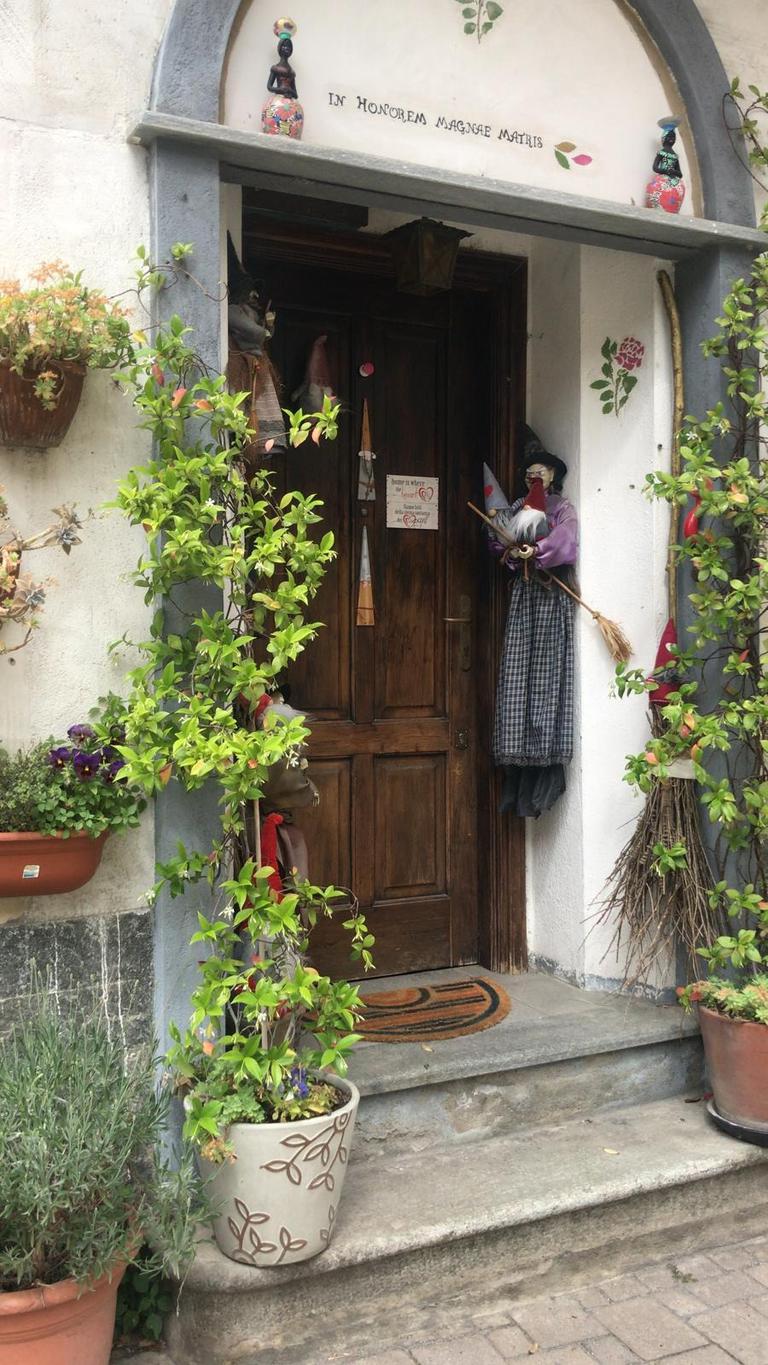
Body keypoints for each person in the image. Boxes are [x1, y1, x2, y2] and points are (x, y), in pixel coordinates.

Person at [484, 425, 578, 818]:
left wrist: (536, 550)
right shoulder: (518, 507)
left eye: (541, 472)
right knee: (518, 674)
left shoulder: (561, 509)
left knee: (546, 676)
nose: (534, 478)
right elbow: (496, 541)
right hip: (524, 602)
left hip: (551, 598)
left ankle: (544, 766)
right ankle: (516, 766)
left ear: (553, 476)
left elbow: (566, 541)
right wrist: (509, 550)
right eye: (529, 473)